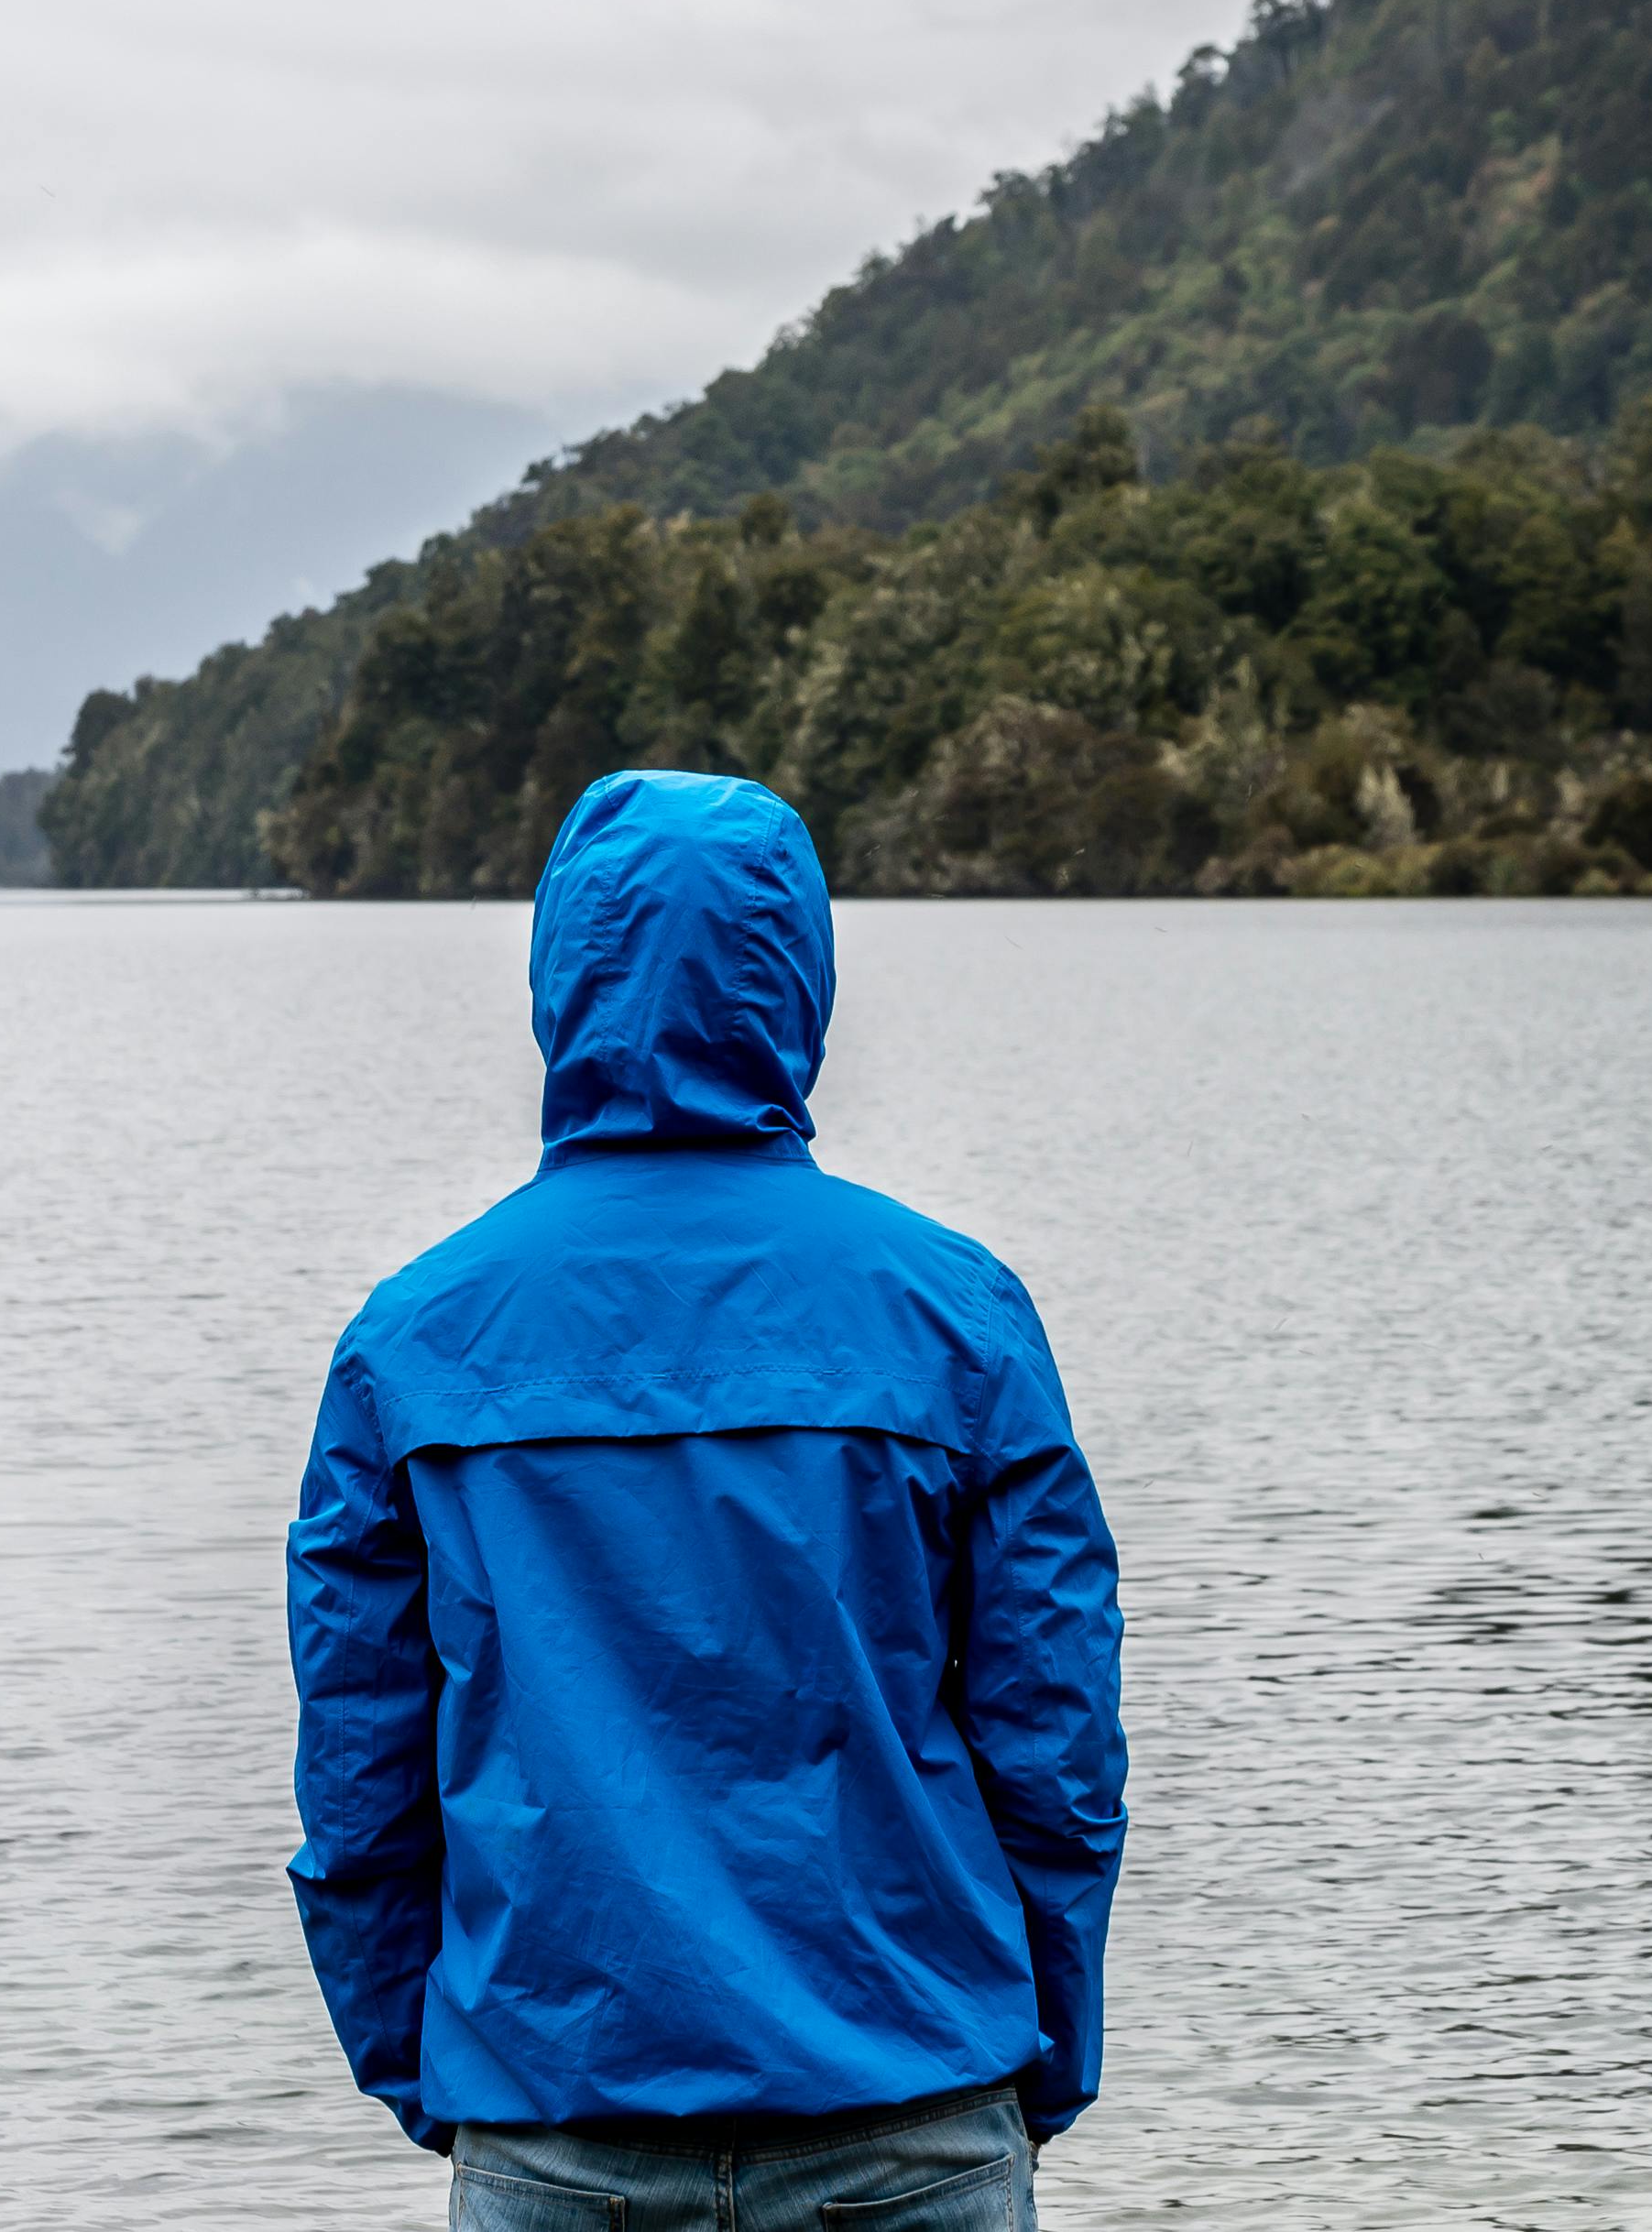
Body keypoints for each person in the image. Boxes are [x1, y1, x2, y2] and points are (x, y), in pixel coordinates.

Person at [285, 769, 1128, 2229]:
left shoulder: (416, 1339)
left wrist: (430, 2071)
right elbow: (1054, 1746)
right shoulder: (955, 1317)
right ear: (797, 976)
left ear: (560, 976)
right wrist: (1033, 2053)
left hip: (556, 2126)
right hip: (913, 2109)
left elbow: (361, 1786)